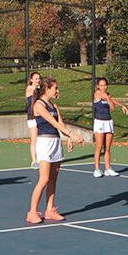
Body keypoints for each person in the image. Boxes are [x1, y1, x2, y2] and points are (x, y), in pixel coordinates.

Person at [26, 77, 83, 223]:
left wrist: (68, 138)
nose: (57, 91)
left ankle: (49, 210)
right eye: (55, 88)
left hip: (56, 142)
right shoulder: (38, 105)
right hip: (44, 143)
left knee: (53, 180)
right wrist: (72, 135)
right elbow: (52, 122)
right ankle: (32, 212)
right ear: (47, 89)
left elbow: (60, 124)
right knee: (44, 179)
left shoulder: (54, 106)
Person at [92, 77, 128, 177]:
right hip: (99, 122)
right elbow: (110, 102)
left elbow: (112, 106)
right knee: (99, 147)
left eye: (105, 85)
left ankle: (108, 168)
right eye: (101, 85)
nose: (103, 87)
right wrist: (109, 99)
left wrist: (122, 105)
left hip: (108, 122)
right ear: (97, 86)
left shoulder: (107, 96)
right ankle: (97, 169)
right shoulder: (97, 94)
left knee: (107, 148)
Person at [25, 72, 42, 169]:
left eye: (39, 78)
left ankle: (40, 158)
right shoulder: (29, 89)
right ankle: (34, 160)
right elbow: (35, 95)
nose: (38, 80)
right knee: (34, 139)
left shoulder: (39, 90)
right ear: (31, 80)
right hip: (32, 117)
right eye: (36, 79)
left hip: (40, 117)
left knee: (40, 139)